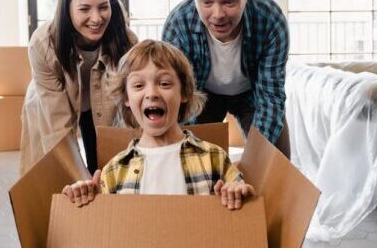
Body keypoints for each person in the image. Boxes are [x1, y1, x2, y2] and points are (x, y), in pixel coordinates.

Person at [62, 40, 254, 210]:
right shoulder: (114, 171)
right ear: (127, 98)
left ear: (184, 93)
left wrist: (237, 191)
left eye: (164, 83)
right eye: (138, 85)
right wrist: (88, 197)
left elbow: (242, 197)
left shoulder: (214, 158)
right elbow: (104, 229)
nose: (151, 93)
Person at [161, 0, 291, 156]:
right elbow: (179, 95)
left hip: (253, 94)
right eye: (207, 2)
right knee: (193, 162)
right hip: (201, 96)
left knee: (275, 161)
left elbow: (270, 96)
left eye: (229, 1)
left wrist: (256, 158)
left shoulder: (270, 19)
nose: (218, 14)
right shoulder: (178, 25)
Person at [20, 0, 136, 175]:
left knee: (103, 166)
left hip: (101, 103)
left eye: (103, 7)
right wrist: (79, 179)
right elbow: (58, 128)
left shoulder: (126, 41)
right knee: (56, 172)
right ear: (67, 9)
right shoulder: (42, 44)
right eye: (84, 9)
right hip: (51, 104)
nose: (96, 18)